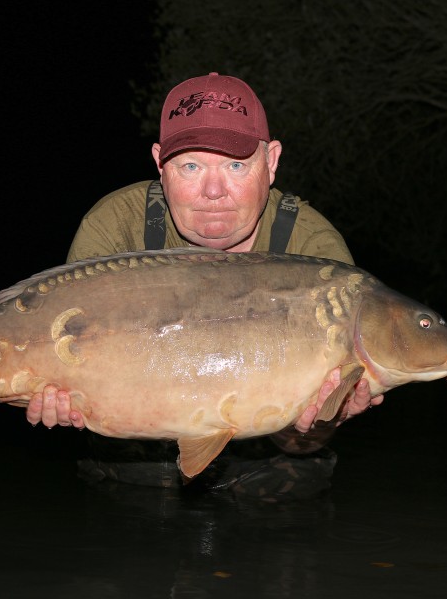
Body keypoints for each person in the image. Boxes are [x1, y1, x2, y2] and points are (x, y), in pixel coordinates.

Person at [26, 72, 383, 494]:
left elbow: (303, 443)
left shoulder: (319, 257)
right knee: (136, 491)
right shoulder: (114, 229)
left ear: (270, 162)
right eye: (191, 166)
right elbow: (63, 357)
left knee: (288, 488)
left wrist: (318, 423)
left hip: (267, 457)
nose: (213, 191)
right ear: (160, 164)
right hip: (141, 447)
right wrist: (59, 396)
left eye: (235, 165)